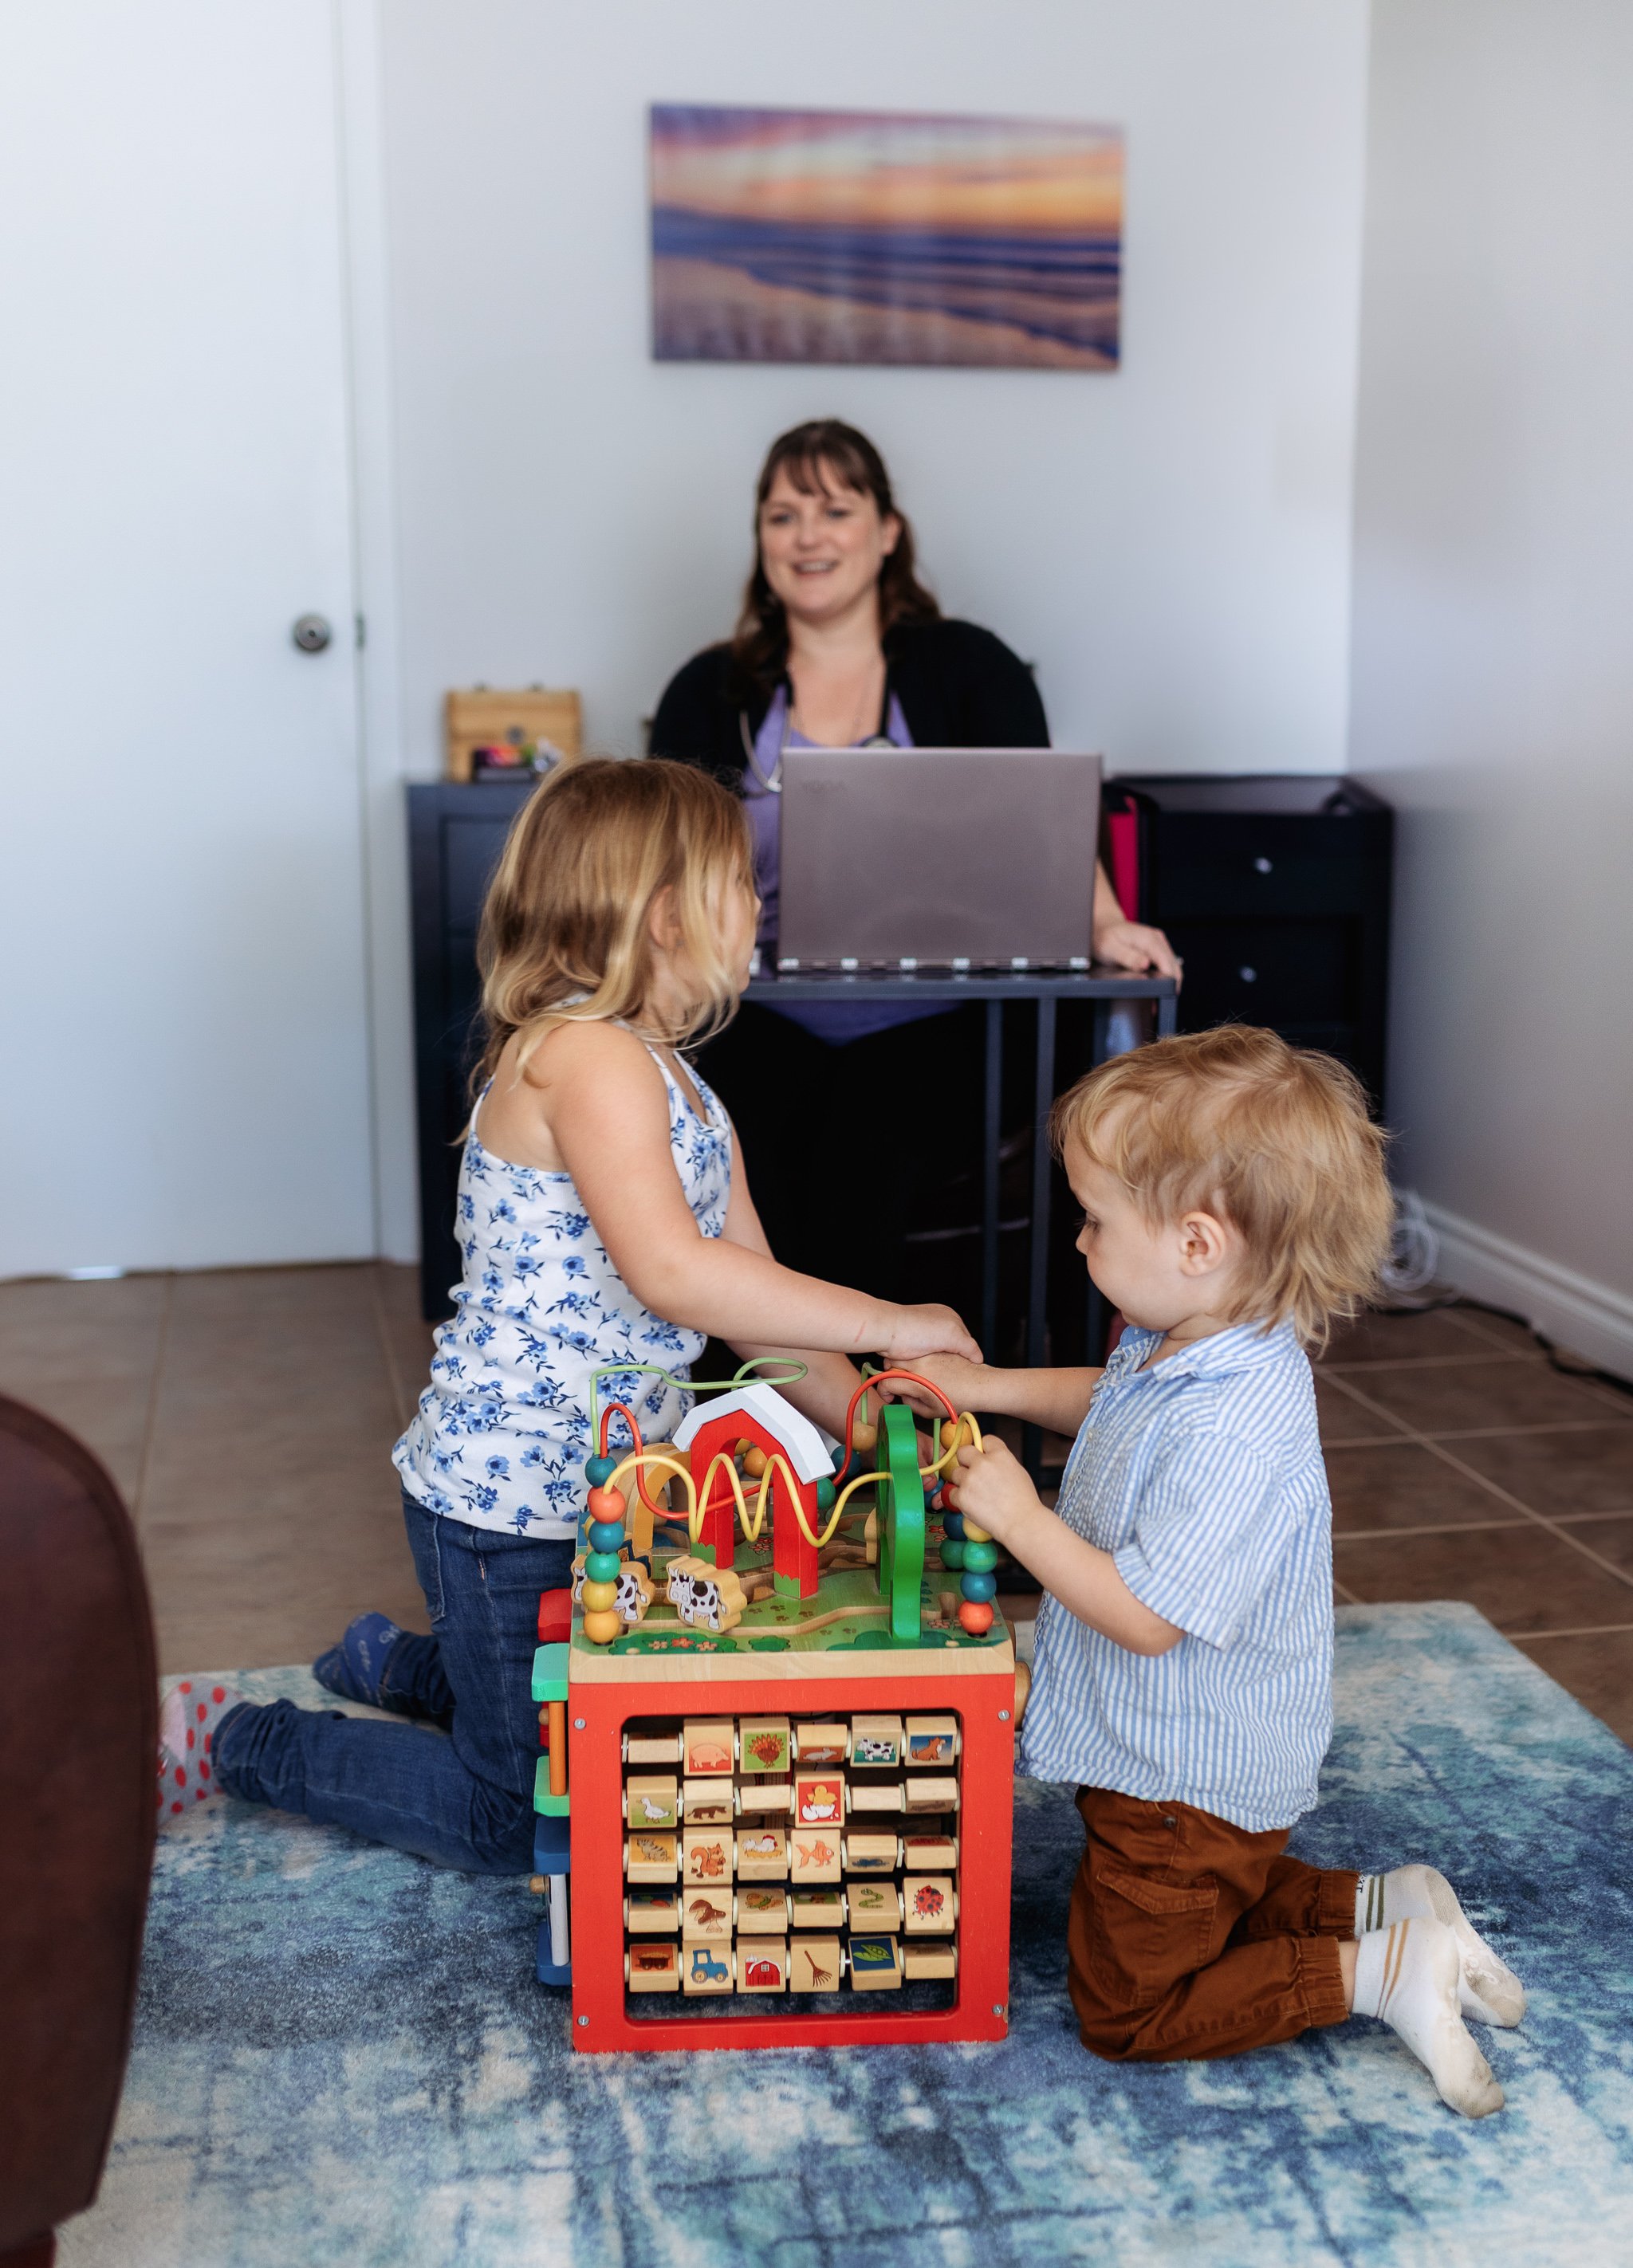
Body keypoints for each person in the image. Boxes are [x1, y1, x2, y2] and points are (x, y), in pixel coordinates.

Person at [155, 760, 978, 1869]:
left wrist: (870, 1418)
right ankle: (244, 1739)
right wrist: (893, 1319)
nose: (763, 904)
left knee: (588, 1688)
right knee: (520, 1809)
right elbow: (675, 1276)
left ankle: (401, 1664)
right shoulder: (582, 1058)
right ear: (666, 913)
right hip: (507, 1505)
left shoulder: (684, 1083)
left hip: (600, 1494)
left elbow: (756, 1313)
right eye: (744, 880)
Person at [893, 1028, 1525, 2117]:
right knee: (1204, 1892)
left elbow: (1146, 1616)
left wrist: (1022, 1515)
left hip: (1182, 1780)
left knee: (1130, 2002)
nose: (1079, 1239)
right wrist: (988, 1386)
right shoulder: (1188, 1337)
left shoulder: (1238, 1421)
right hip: (1172, 1771)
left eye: (1094, 1218)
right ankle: (1384, 1903)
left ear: (1195, 1241)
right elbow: (1107, 1400)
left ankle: (1379, 1973)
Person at [651, 418, 1179, 1303]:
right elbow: (657, 859)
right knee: (756, 1131)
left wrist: (1103, 921)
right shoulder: (707, 690)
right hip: (756, 1007)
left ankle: (850, 1407)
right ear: (760, 541)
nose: (807, 536)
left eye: (834, 509)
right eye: (782, 516)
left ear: (886, 531)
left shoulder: (971, 667)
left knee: (867, 1127)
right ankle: (756, 1412)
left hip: (943, 1018)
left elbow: (1042, 824)